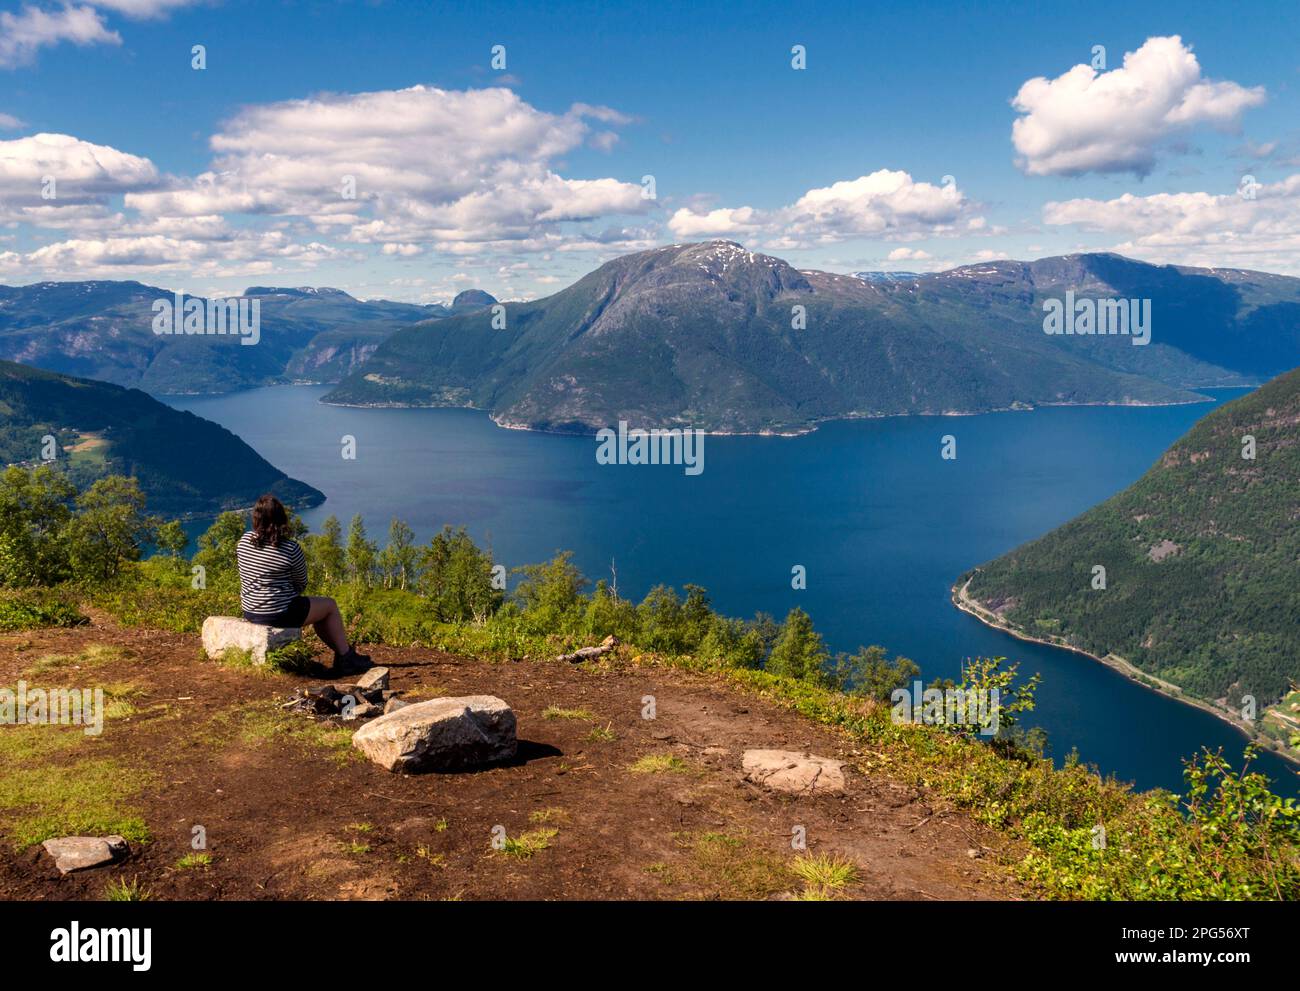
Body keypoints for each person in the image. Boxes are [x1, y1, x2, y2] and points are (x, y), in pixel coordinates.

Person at [236, 493, 371, 674]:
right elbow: (301, 582)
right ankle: (346, 657)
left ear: (256, 518)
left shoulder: (244, 542)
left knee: (317, 609)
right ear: (281, 519)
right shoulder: (290, 548)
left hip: (251, 611)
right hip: (280, 613)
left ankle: (344, 655)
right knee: (329, 606)